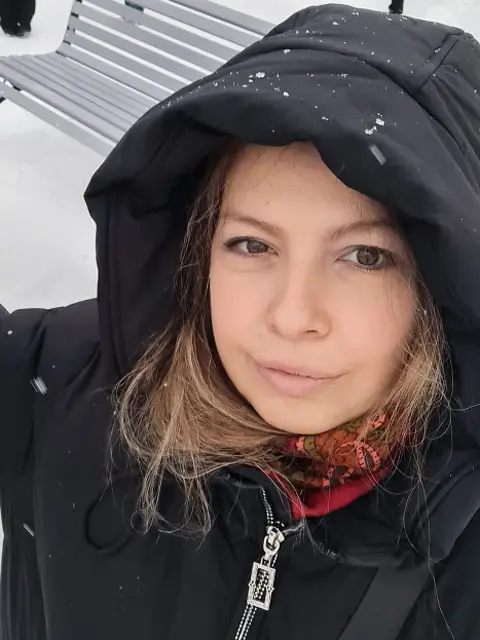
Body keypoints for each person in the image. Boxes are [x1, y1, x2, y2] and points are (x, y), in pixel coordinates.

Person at [2, 4, 480, 640]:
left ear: (442, 285)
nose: (292, 316)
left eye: (365, 256)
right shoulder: (59, 379)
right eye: (252, 245)